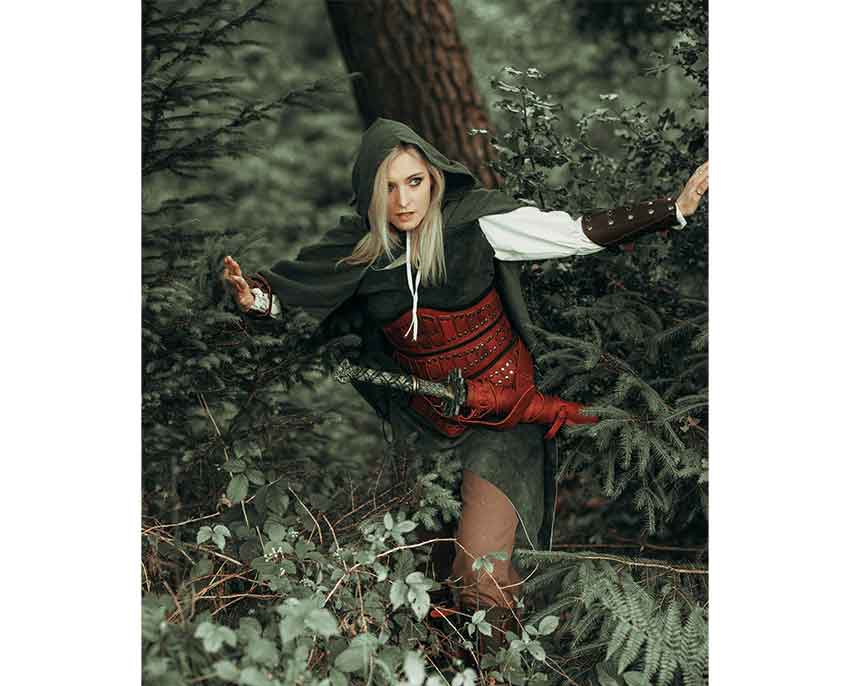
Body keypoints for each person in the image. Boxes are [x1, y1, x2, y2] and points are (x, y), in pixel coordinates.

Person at [222, 118, 707, 646]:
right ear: (370, 193)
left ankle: (506, 677)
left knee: (480, 570)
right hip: (424, 424)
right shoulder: (358, 249)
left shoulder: (476, 224)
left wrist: (673, 209)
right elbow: (297, 293)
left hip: (503, 415)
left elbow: (573, 232)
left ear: (433, 178)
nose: (404, 200)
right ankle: (457, 674)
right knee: (426, 569)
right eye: (389, 186)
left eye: (414, 182)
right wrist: (255, 299)